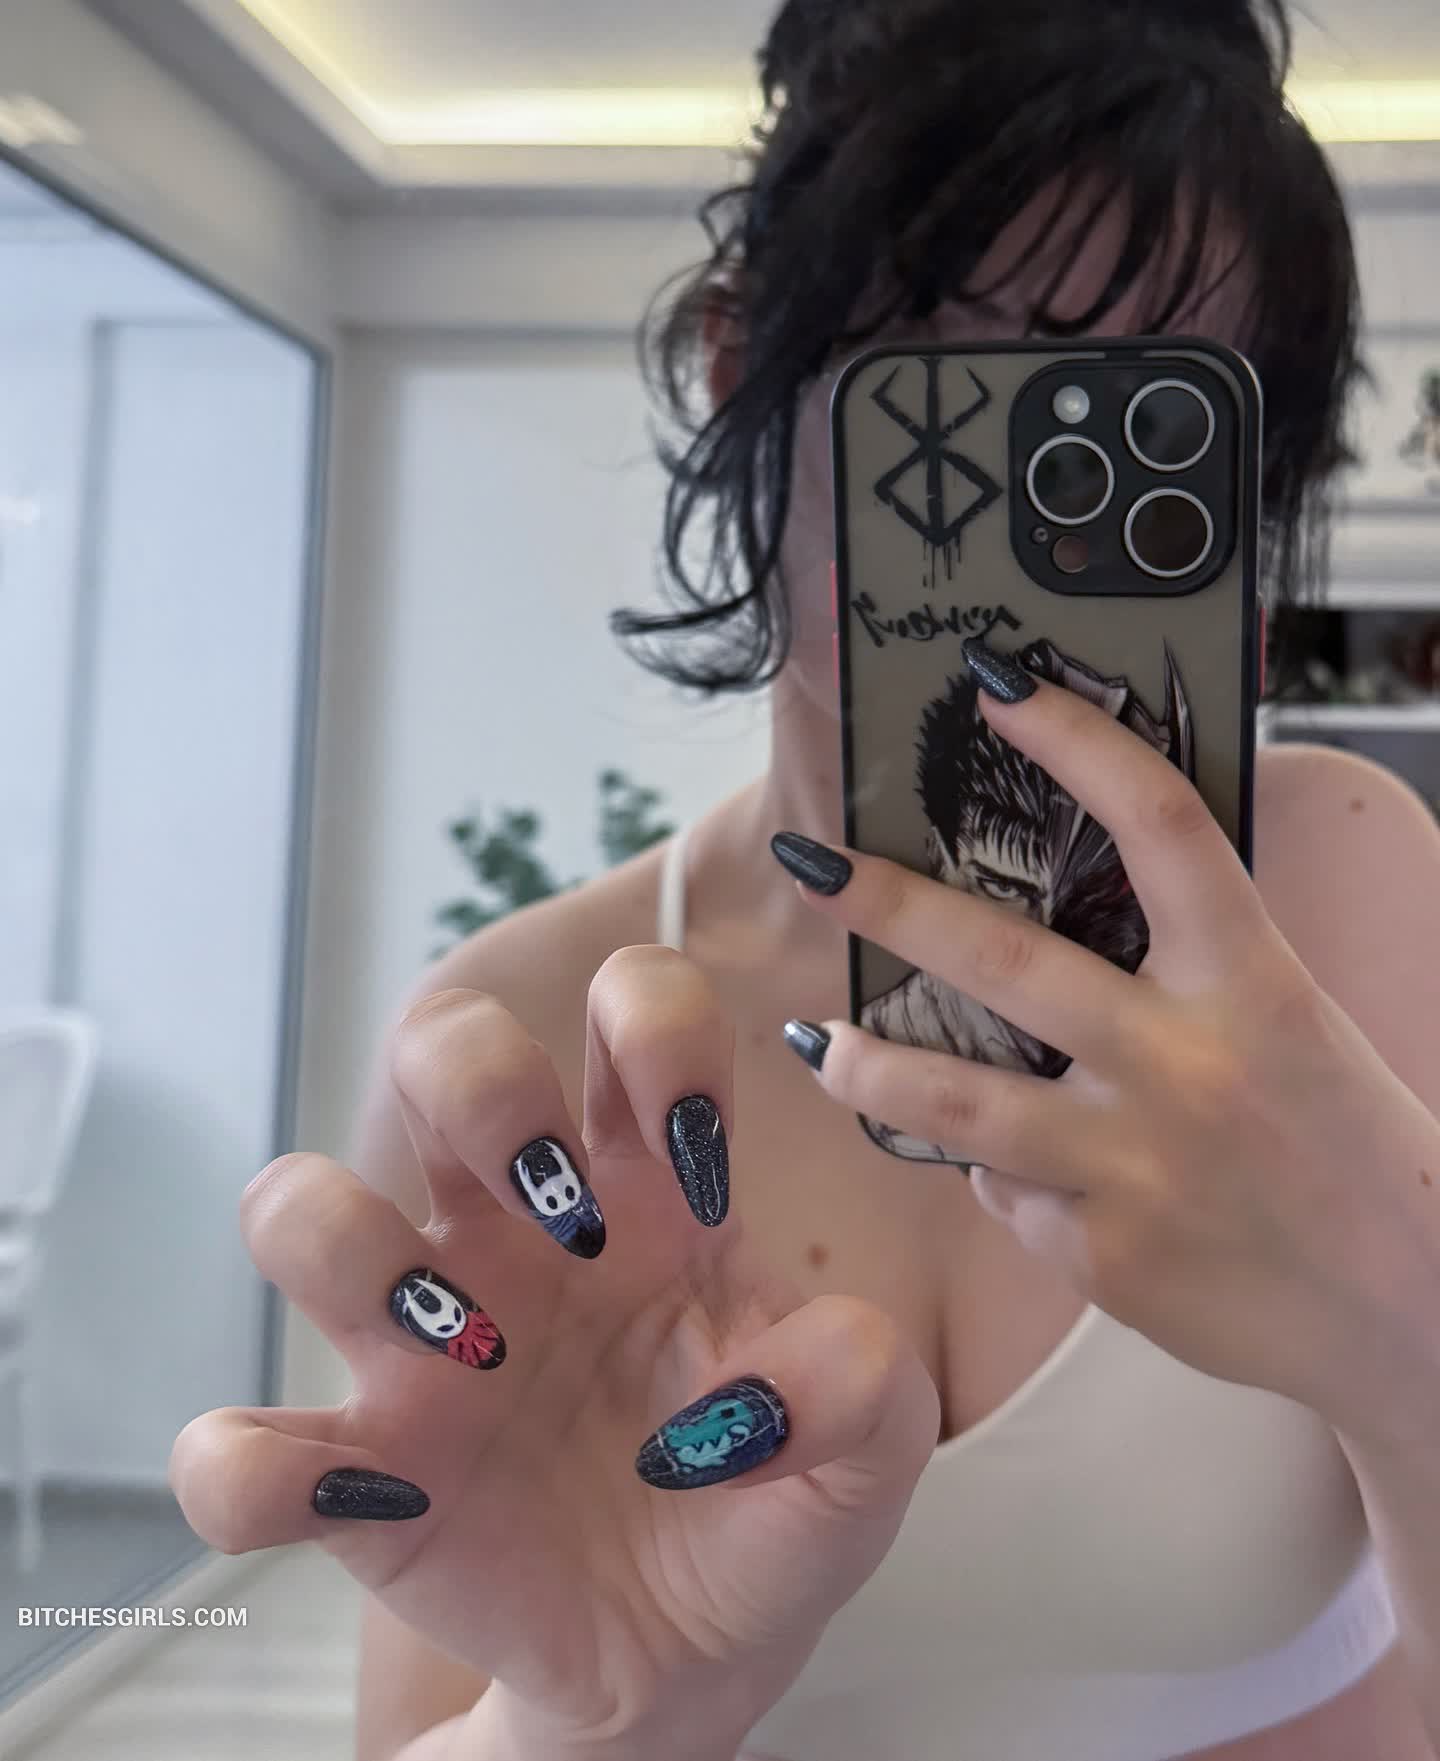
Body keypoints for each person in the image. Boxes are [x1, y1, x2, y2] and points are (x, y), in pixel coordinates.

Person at [170, 2, 1440, 1757]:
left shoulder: (1343, 886)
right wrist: (592, 1714)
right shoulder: (533, 1033)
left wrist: (1413, 1331)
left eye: (1140, 413)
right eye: (948, 371)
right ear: (738, 364)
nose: (1030, 504)